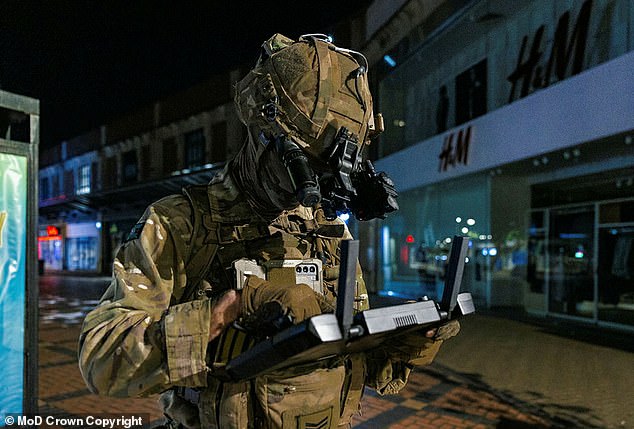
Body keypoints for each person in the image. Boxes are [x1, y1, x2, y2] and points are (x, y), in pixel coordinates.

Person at [78, 34, 460, 429]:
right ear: (263, 137)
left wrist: (407, 344)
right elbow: (102, 359)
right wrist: (227, 312)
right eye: (303, 166)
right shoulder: (182, 223)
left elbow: (349, 356)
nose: (307, 191)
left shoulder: (329, 233)